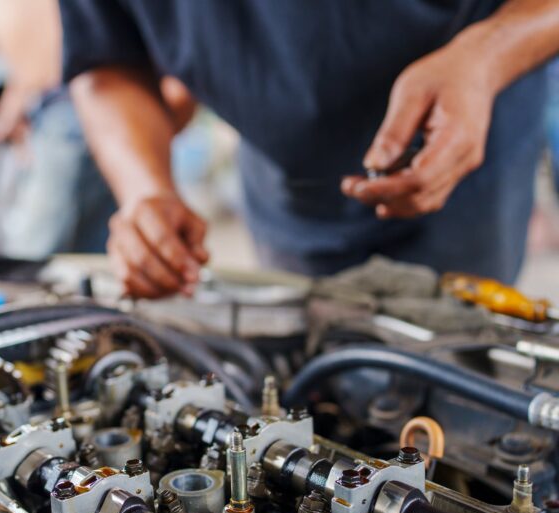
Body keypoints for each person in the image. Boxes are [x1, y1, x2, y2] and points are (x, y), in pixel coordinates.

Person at [60, 1, 559, 298]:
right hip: (282, 173)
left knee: (460, 366)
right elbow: (106, 55)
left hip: (468, 129)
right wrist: (145, 190)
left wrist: (486, 56)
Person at [0, 0, 194, 258]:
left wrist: (150, 125)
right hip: (56, 108)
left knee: (33, 253)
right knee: (101, 250)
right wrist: (17, 96)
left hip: (81, 112)